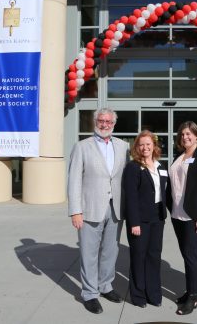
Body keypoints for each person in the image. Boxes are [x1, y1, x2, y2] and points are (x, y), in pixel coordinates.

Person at [67, 108, 129, 314]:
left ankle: (106, 286)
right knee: (89, 253)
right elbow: (74, 180)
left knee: (111, 251)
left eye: (108, 121)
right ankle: (90, 293)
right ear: (95, 122)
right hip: (90, 209)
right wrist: (76, 210)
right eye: (101, 121)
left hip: (116, 208)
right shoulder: (82, 146)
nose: (104, 124)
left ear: (114, 124)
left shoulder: (123, 146)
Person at [167, 121, 197, 315]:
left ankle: (194, 297)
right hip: (177, 214)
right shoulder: (180, 157)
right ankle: (190, 291)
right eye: (182, 134)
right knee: (188, 256)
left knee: (191, 256)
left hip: (194, 215)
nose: (185, 137)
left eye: (189, 134)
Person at [122, 130, 168, 308]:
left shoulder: (160, 166)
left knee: (154, 256)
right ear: (137, 147)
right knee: (138, 256)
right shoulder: (133, 168)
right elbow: (131, 197)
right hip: (139, 221)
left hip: (158, 218)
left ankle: (154, 294)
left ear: (154, 146)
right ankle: (138, 295)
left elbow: (166, 192)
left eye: (148, 144)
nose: (145, 147)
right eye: (141, 144)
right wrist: (134, 222)